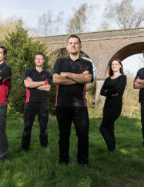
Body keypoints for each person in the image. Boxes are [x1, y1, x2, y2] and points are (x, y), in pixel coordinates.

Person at [52, 34, 93, 165]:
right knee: (63, 135)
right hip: (62, 104)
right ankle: (63, 162)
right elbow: (55, 79)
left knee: (83, 135)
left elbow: (88, 79)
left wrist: (68, 75)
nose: (73, 45)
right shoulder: (60, 62)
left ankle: (83, 162)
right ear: (67, 46)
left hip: (80, 105)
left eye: (76, 43)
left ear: (80, 46)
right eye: (70, 43)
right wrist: (78, 78)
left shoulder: (87, 63)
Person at [21, 53, 52, 151]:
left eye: (40, 59)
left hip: (43, 103)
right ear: (34, 60)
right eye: (37, 59)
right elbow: (27, 85)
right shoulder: (29, 71)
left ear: (44, 61)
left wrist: (33, 84)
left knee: (44, 126)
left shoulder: (47, 73)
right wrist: (43, 82)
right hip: (30, 102)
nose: (38, 60)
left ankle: (44, 146)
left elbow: (48, 88)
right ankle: (24, 148)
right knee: (27, 126)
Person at [99, 59, 126, 151]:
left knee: (102, 128)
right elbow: (101, 92)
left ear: (120, 66)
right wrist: (111, 92)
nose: (114, 65)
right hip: (107, 106)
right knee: (110, 128)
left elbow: (118, 90)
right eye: (112, 64)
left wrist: (108, 91)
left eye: (116, 64)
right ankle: (112, 150)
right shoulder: (108, 79)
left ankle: (111, 146)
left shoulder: (123, 77)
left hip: (116, 106)